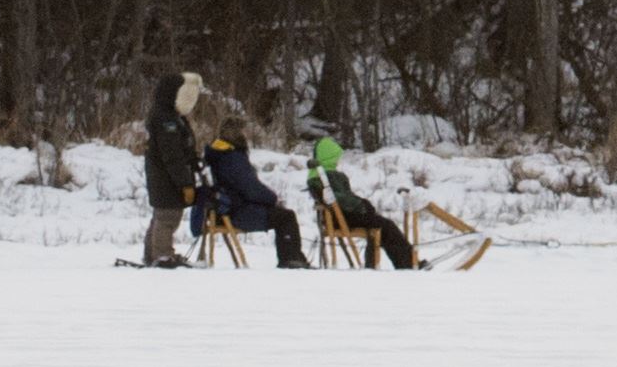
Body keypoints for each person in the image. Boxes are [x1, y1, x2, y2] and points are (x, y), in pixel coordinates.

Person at [193, 96, 312, 266]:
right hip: (238, 212)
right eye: (243, 131)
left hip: (226, 208)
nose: (247, 135)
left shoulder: (218, 153)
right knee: (286, 217)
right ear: (236, 133)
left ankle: (291, 259)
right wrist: (273, 199)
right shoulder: (232, 157)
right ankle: (292, 260)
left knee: (282, 215)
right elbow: (250, 188)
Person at [307, 130, 423, 269]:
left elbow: (345, 196)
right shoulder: (321, 177)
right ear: (329, 157)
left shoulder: (328, 175)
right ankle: (407, 263)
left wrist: (362, 204)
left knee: (383, 225)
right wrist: (361, 204)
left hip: (345, 215)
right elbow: (337, 199)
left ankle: (397, 263)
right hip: (341, 217)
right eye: (335, 157)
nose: (338, 161)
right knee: (386, 225)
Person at [139, 70, 206, 267]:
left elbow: (182, 148)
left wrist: (193, 161)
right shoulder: (166, 119)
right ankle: (162, 255)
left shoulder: (172, 116)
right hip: (165, 176)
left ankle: (152, 254)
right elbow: (172, 155)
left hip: (165, 175)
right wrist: (185, 183)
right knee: (167, 216)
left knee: (161, 215)